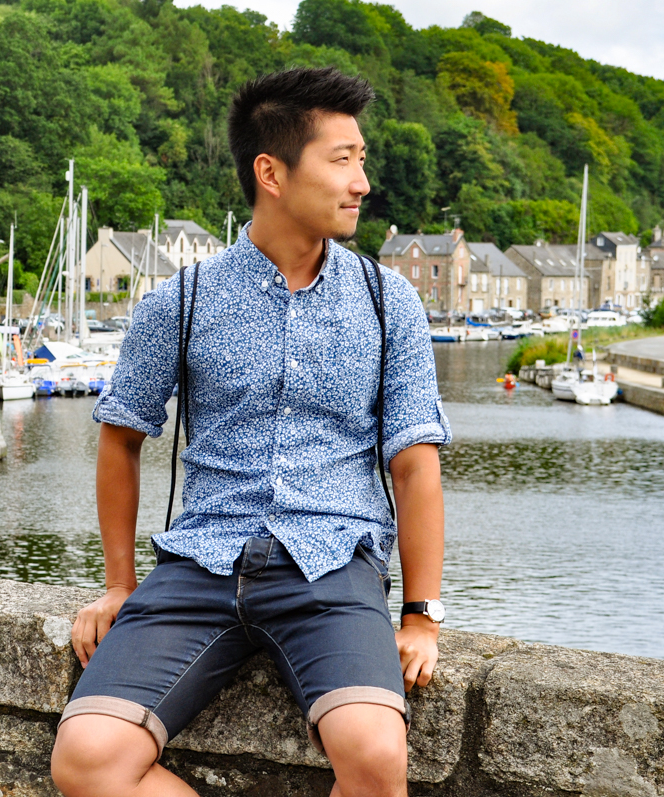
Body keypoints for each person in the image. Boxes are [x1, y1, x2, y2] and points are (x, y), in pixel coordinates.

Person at [50, 67, 451, 797]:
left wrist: (421, 615)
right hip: (200, 563)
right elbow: (121, 436)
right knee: (85, 759)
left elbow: (415, 464)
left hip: (333, 564)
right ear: (271, 172)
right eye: (342, 160)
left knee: (375, 757)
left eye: (361, 160)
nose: (361, 183)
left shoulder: (387, 301)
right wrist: (118, 583)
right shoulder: (180, 300)